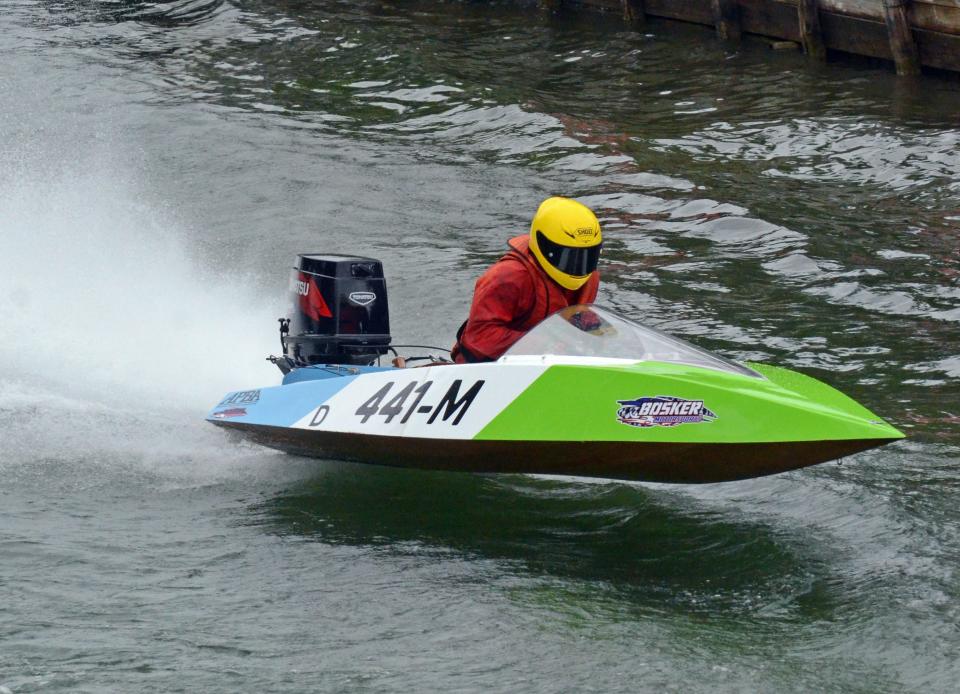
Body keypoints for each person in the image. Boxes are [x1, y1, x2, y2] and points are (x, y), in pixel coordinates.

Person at [451, 196, 602, 363]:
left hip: (550, 364)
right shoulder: (508, 276)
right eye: (568, 257)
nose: (578, 266)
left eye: (587, 256)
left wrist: (597, 339)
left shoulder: (590, 276)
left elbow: (579, 320)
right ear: (544, 245)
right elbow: (480, 337)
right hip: (487, 368)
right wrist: (546, 345)